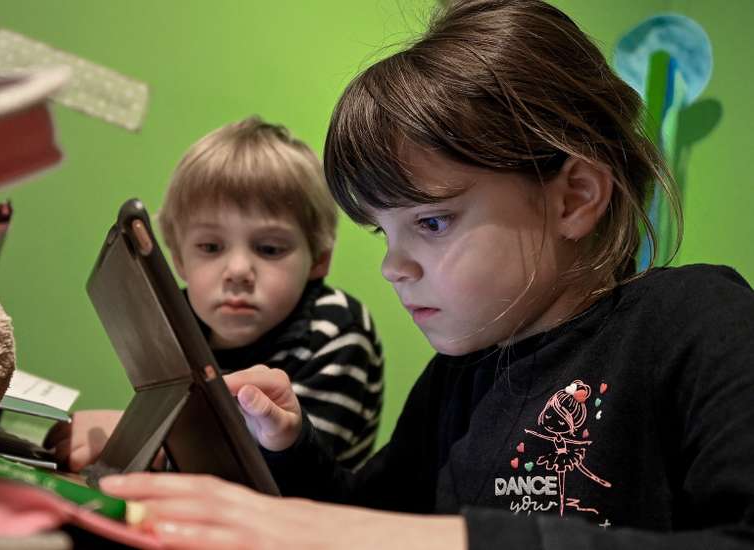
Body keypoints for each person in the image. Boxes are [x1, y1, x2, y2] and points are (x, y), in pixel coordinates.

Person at [94, 1, 754, 549]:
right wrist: (290, 444)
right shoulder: (458, 379)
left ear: (575, 197)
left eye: (432, 223)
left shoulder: (696, 322)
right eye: (384, 231)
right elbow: (371, 517)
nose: (392, 266)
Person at [48, 116, 384, 472]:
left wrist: (145, 438)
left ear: (319, 259)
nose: (238, 271)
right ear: (178, 259)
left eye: (270, 249)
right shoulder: (176, 321)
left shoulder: (338, 328)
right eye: (210, 246)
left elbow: (284, 472)